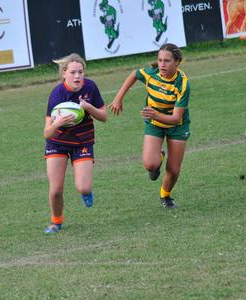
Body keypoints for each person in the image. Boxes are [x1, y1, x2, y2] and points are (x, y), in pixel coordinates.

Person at [109, 43, 190, 209]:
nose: (162, 64)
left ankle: (165, 195)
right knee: (150, 164)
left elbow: (175, 118)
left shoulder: (182, 84)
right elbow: (134, 74)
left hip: (177, 125)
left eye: (167, 61)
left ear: (177, 62)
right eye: (160, 60)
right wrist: (118, 97)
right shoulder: (151, 74)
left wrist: (155, 114)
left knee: (173, 170)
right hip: (155, 123)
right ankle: (158, 156)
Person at [43, 53, 108, 234]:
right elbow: (47, 132)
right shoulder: (57, 94)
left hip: (82, 142)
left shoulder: (91, 87)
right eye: (73, 72)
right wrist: (58, 123)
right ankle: (56, 222)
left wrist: (89, 108)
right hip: (58, 142)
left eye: (80, 72)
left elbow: (104, 117)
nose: (78, 76)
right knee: (56, 190)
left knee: (83, 187)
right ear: (64, 73)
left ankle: (86, 192)